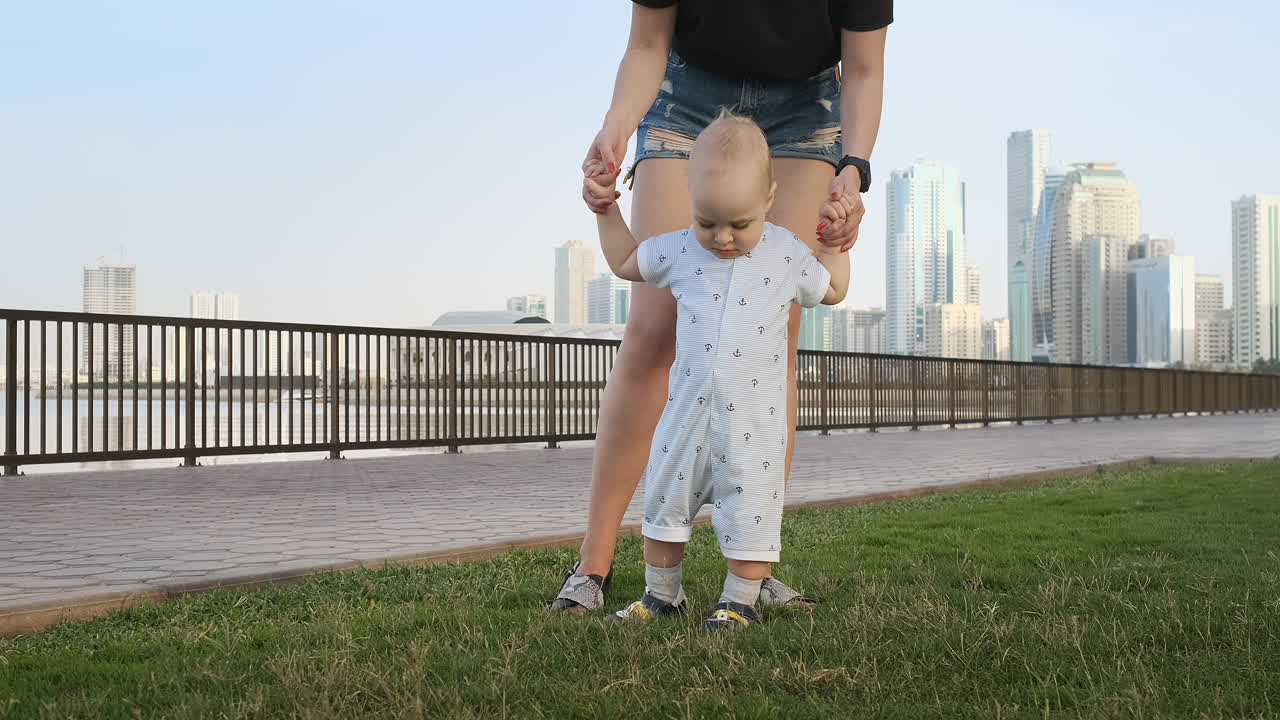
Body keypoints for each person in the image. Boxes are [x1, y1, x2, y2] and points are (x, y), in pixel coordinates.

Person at [552, 1, 891, 615]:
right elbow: (648, 42)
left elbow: (864, 68)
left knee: (773, 332)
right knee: (654, 329)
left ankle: (752, 573)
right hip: (687, 96)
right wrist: (616, 128)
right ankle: (594, 564)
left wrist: (853, 169)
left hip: (805, 109)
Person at [583, 112, 850, 628]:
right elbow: (625, 262)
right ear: (691, 201)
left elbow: (832, 289)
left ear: (769, 199)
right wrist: (605, 211)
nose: (723, 237)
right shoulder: (681, 248)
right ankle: (661, 594)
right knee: (663, 504)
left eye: (739, 224)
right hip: (684, 417)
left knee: (751, 509)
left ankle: (740, 598)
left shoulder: (787, 254)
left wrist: (833, 244)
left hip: (753, 424)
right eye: (708, 222)